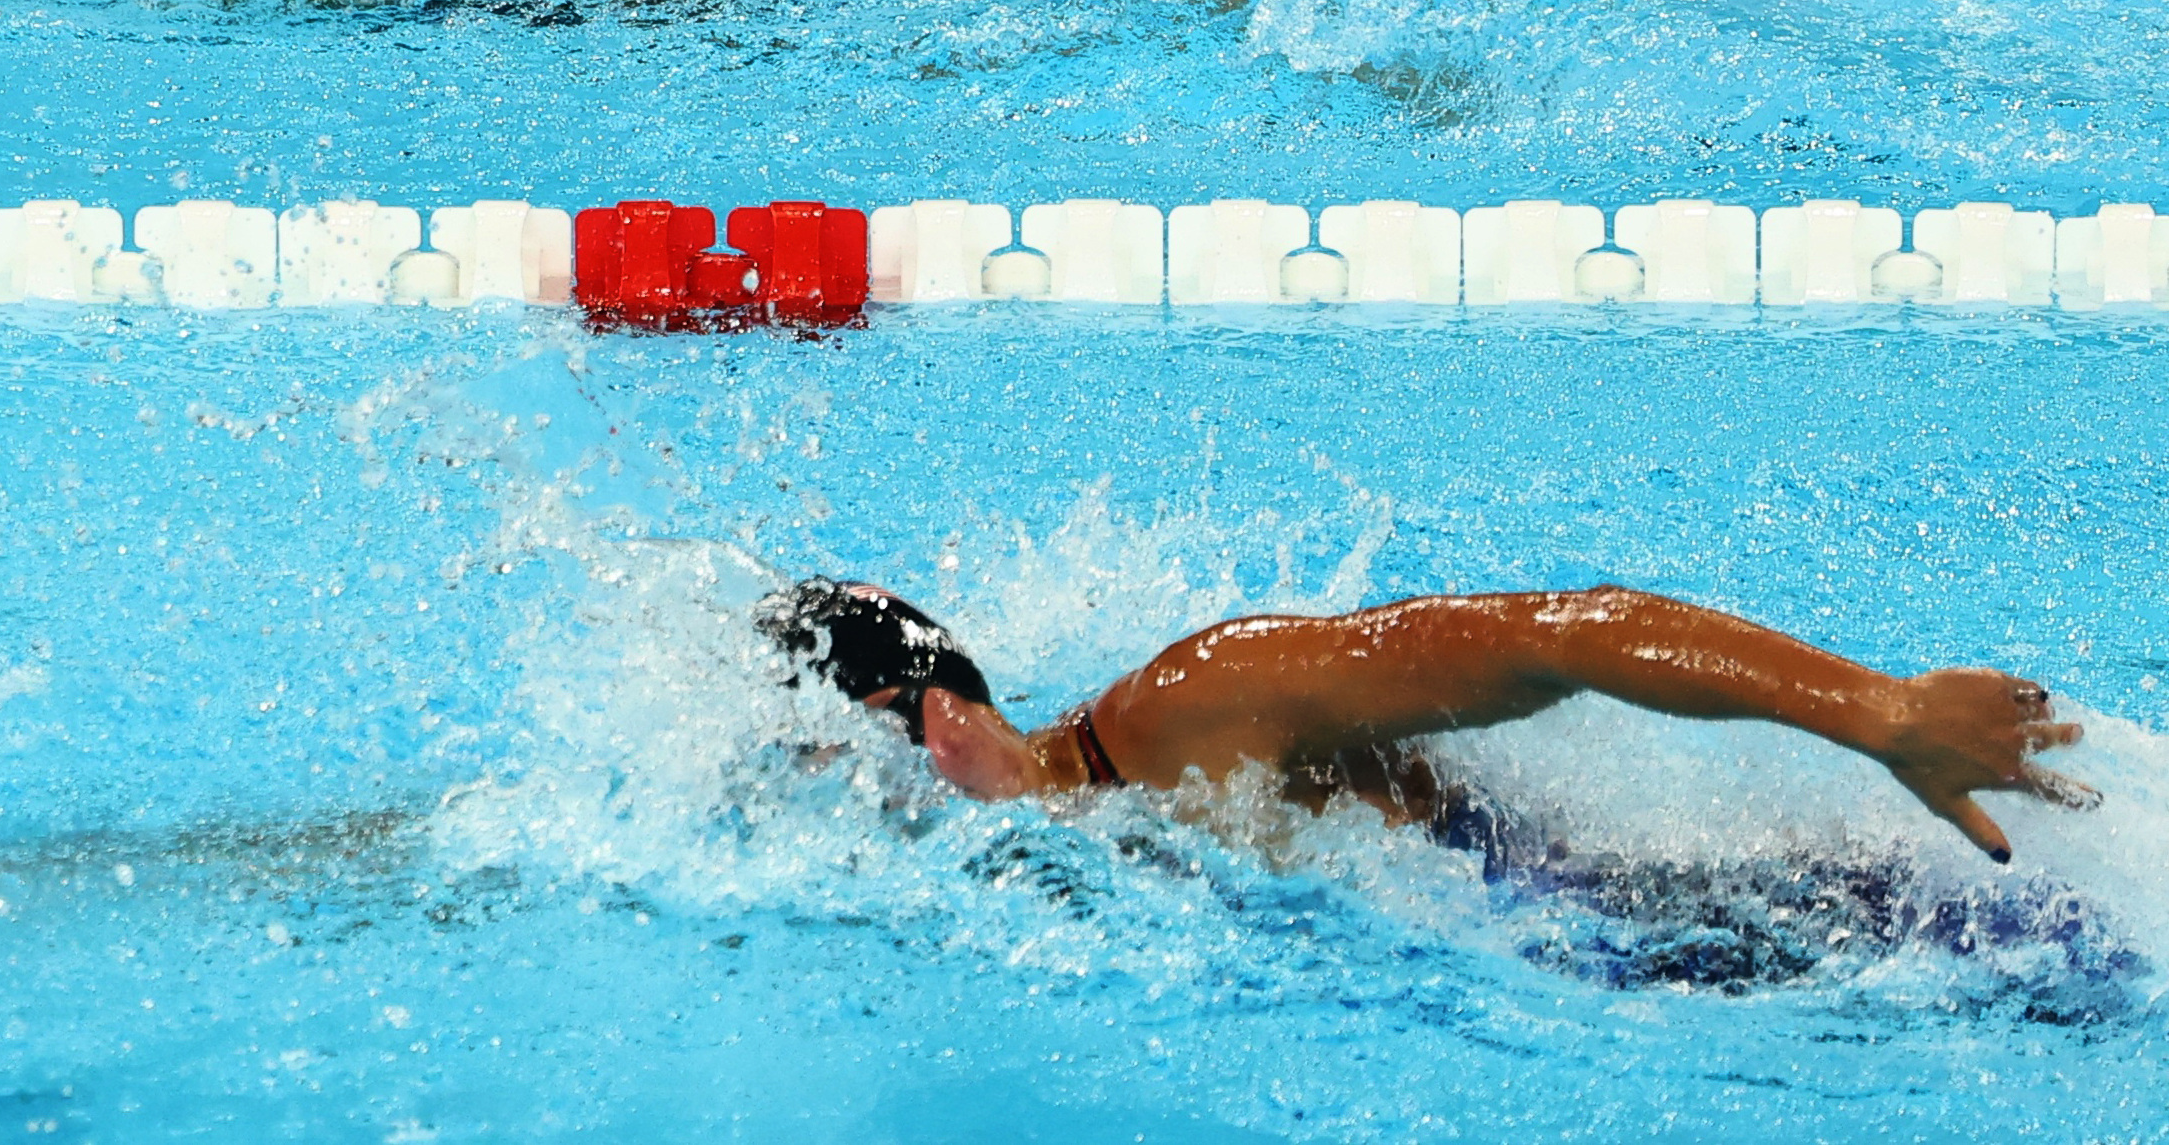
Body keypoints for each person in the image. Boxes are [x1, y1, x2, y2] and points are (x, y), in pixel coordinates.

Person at [756, 577, 2098, 864]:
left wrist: (1882, 709)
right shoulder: (1102, 815)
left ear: (927, 721)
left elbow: (1555, 634)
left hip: (1690, 932)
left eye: (854, 774)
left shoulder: (1188, 702)